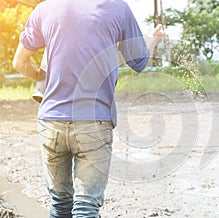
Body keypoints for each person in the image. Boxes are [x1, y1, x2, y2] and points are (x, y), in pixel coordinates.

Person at [12, 0, 164, 217]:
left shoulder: (45, 9)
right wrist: (154, 40)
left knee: (60, 203)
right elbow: (138, 62)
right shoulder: (118, 8)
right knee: (86, 207)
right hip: (94, 121)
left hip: (51, 120)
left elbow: (19, 62)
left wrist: (46, 84)